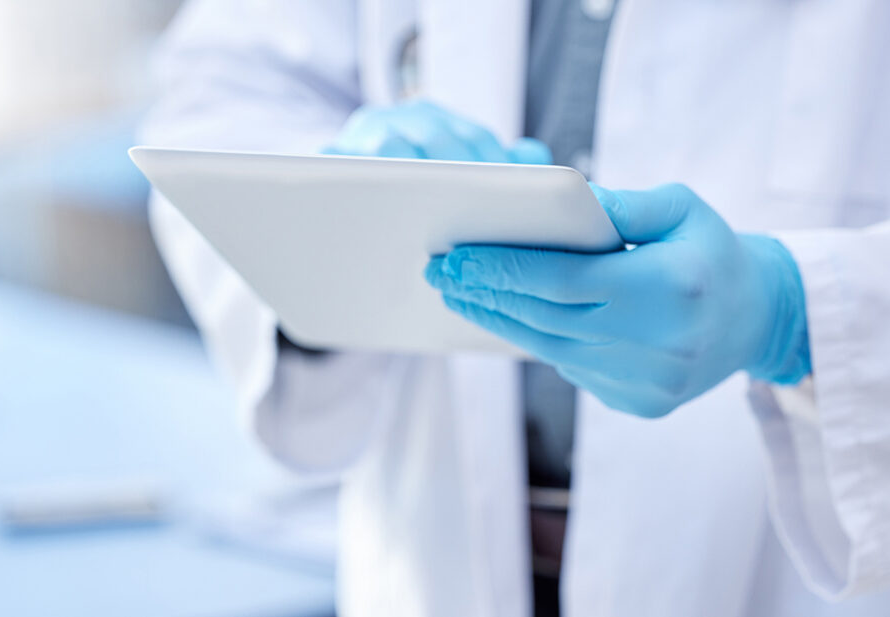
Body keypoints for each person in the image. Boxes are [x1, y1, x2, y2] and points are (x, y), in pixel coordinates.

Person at [140, 1, 890, 616]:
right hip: (436, 550)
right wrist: (325, 209)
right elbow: (224, 86)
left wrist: (797, 314)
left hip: (794, 565)